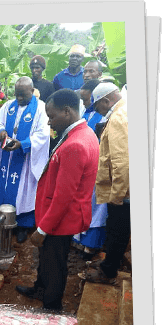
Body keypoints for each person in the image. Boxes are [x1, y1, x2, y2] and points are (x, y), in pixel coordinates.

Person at [17, 89, 100, 311]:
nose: (49, 122)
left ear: (67, 111)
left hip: (61, 217)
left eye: (52, 116)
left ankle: (51, 305)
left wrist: (43, 229)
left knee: (55, 262)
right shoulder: (83, 133)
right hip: (57, 213)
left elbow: (64, 195)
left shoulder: (75, 145)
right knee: (47, 256)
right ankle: (41, 288)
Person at [0, 76, 50, 243]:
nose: (19, 98)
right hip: (7, 159)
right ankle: (2, 218)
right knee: (5, 187)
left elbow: (43, 135)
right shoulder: (9, 105)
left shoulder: (41, 109)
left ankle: (23, 225)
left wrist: (23, 144)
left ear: (32, 91)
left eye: (23, 94)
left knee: (25, 192)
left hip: (26, 160)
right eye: (17, 94)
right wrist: (1, 131)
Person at [84, 82, 130, 284]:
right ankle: (109, 264)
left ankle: (108, 272)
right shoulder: (124, 111)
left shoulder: (118, 117)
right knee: (116, 229)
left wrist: (117, 195)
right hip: (124, 189)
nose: (98, 111)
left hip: (123, 192)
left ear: (106, 100)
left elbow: (123, 161)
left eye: (97, 106)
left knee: (117, 231)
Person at [72, 79, 108, 259]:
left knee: (96, 207)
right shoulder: (87, 113)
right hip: (83, 166)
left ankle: (91, 245)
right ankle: (78, 239)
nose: (84, 103)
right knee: (82, 203)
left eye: (86, 100)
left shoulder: (107, 117)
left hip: (99, 167)